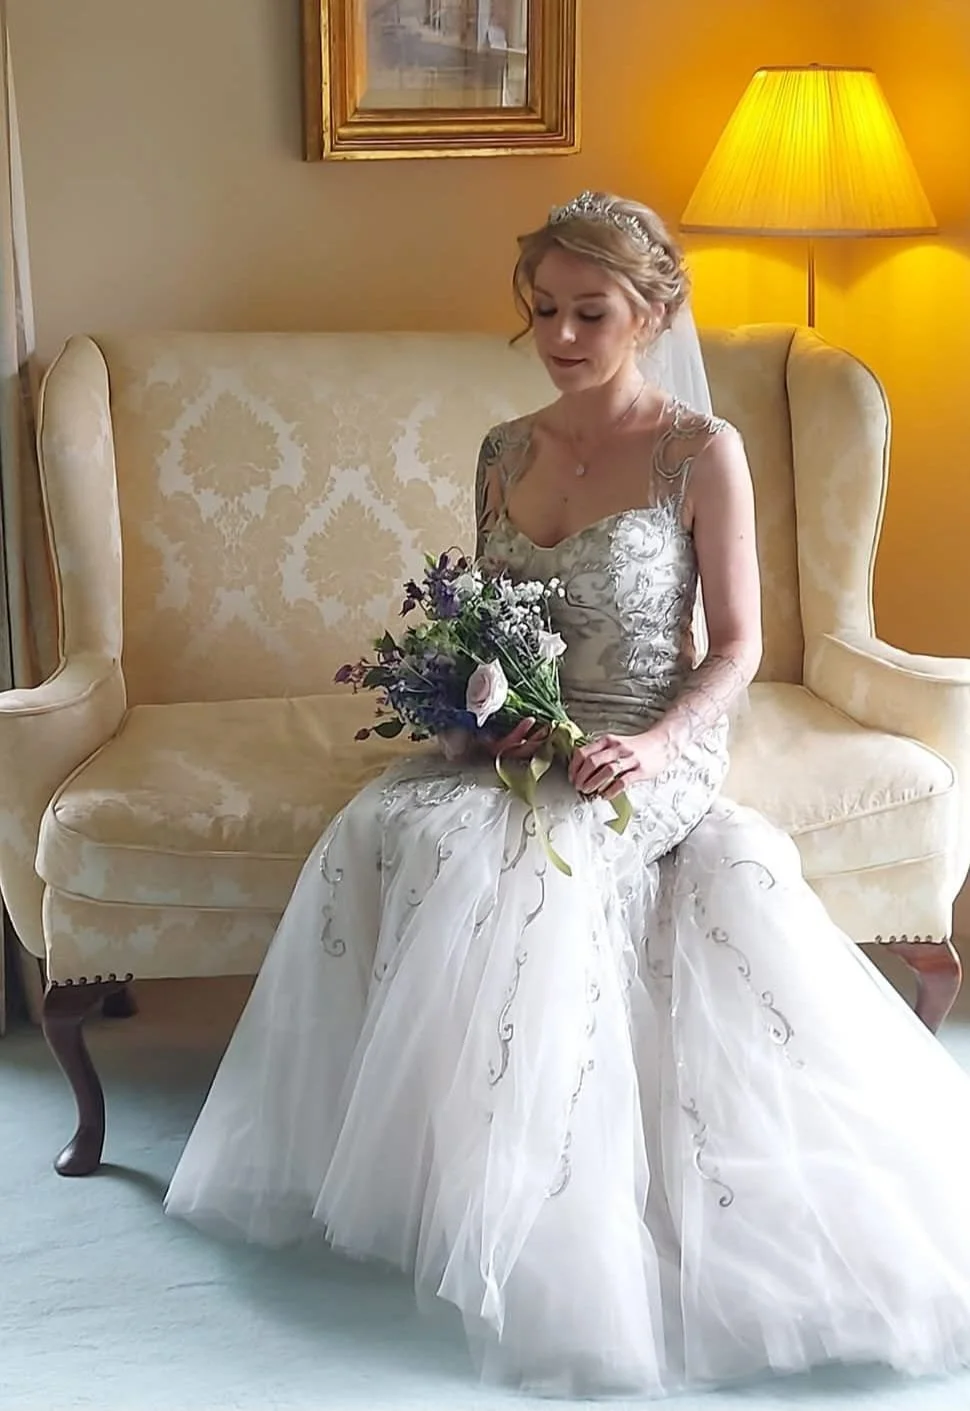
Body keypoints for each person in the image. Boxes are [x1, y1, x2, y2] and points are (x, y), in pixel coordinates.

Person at [166, 192, 970, 1398]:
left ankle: (557, 1214)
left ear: (648, 314)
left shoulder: (701, 451)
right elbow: (487, 620)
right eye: (543, 309)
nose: (560, 334)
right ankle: (445, 1170)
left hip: (654, 732)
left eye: (589, 312)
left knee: (539, 870)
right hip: (521, 728)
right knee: (392, 827)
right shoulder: (502, 448)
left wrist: (654, 747)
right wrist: (467, 707)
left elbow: (739, 646)